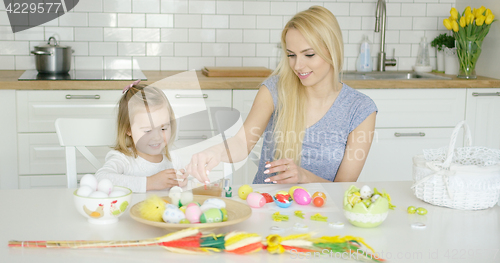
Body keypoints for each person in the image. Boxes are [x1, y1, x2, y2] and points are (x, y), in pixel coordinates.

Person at [186, 6, 377, 184]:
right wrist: (215, 151)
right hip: (266, 205)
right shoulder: (274, 89)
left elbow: (344, 188)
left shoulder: (360, 109)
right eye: (291, 55)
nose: (298, 66)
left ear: (332, 51)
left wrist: (303, 176)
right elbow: (241, 143)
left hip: (322, 214)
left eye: (309, 55)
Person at [95, 81, 187, 192]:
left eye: (163, 128)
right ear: (128, 129)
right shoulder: (124, 160)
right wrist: (150, 182)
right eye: (148, 131)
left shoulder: (173, 160)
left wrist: (182, 182)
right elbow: (101, 179)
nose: (157, 137)